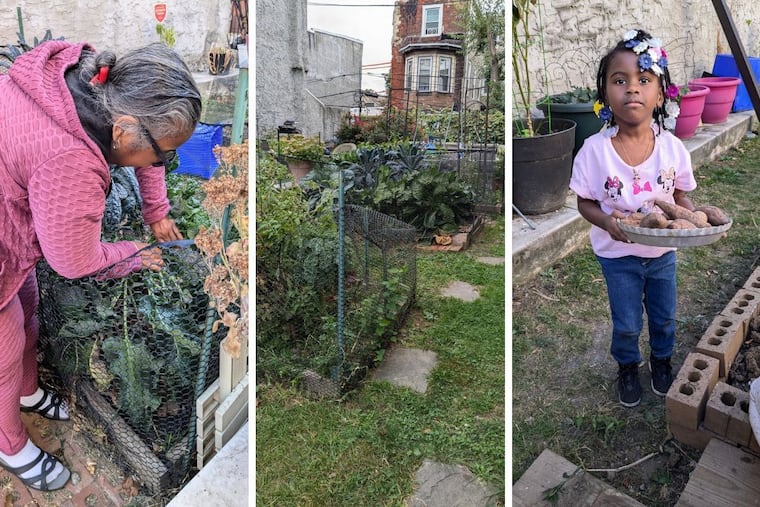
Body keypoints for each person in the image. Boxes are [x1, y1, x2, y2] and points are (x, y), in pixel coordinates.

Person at [0, 40, 201, 490]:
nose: (163, 163)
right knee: (5, 343)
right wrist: (131, 253)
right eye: (163, 154)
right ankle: (8, 443)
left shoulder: (90, 77)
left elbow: (148, 144)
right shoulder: (70, 159)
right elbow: (73, 260)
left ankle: (27, 392)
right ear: (125, 131)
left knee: (28, 306)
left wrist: (157, 209)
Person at [569, 29, 697, 408]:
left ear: (660, 94)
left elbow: (680, 197)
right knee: (626, 323)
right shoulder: (594, 152)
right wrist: (606, 221)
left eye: (644, 80)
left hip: (662, 256)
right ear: (605, 92)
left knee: (665, 318)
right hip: (617, 256)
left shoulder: (673, 148)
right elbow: (584, 203)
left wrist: (693, 220)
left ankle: (661, 361)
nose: (632, 89)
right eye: (619, 80)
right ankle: (627, 366)